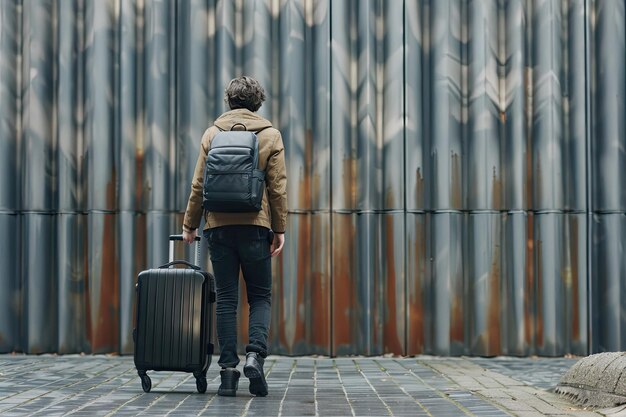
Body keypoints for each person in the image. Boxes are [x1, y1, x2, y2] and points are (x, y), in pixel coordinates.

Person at [181, 76, 287, 397]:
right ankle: (255, 354)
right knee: (259, 296)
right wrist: (279, 229)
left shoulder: (212, 133)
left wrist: (190, 224)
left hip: (219, 228)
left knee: (226, 299)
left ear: (229, 101)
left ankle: (228, 372)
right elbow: (278, 187)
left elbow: (199, 185)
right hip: (256, 226)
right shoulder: (270, 134)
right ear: (258, 103)